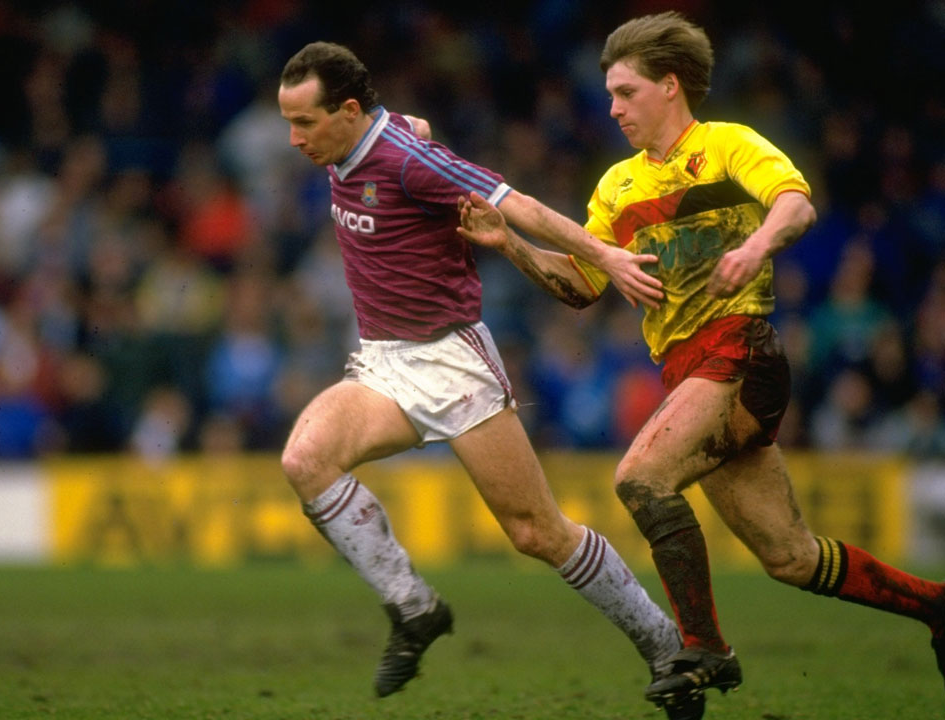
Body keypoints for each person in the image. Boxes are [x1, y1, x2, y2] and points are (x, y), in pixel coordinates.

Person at [456, 10, 945, 713]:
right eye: (611, 94)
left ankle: (705, 648)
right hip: (688, 373)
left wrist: (755, 247)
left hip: (740, 349)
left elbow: (796, 204)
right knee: (790, 558)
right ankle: (936, 607)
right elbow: (583, 285)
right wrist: (510, 244)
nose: (615, 107)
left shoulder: (727, 146)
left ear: (670, 85)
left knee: (642, 477)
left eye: (626, 92)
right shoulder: (616, 189)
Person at [276, 41, 705, 718]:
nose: (294, 138)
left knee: (536, 532)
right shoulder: (357, 142)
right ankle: (415, 609)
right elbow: (398, 124)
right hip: (384, 360)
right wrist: (407, 122)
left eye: (303, 122)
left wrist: (605, 256)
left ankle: (665, 645)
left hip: (452, 362)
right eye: (288, 122)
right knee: (305, 459)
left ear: (348, 110)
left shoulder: (410, 160)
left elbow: (522, 206)